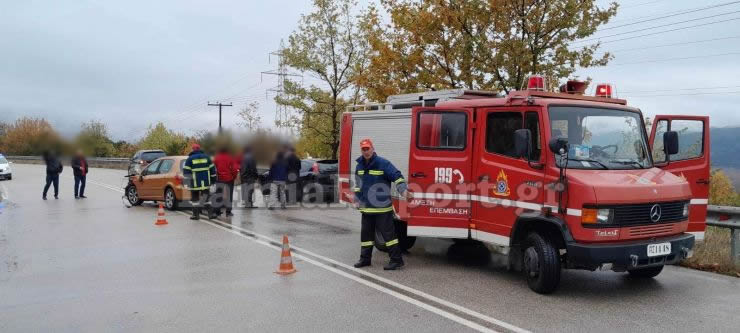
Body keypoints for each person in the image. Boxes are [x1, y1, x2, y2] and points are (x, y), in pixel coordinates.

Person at [352, 138, 408, 270]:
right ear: (361, 150)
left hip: (382, 209)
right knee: (366, 236)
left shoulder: (383, 163)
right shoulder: (359, 165)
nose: (366, 151)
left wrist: (402, 189)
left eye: (368, 148)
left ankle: (397, 260)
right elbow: (358, 186)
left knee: (389, 236)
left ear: (373, 148)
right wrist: (357, 199)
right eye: (363, 149)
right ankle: (365, 259)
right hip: (367, 209)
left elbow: (397, 176)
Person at [183, 144, 217, 220]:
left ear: (193, 149)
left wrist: (186, 183)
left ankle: (195, 215)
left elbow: (186, 172)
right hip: (205, 182)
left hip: (195, 183)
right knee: (206, 198)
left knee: (195, 200)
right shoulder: (207, 157)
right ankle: (211, 214)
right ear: (199, 149)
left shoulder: (189, 159)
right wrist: (213, 181)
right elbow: (213, 170)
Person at [212, 147, 238, 217]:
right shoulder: (230, 157)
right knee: (229, 195)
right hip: (229, 179)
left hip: (219, 179)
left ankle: (217, 211)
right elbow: (235, 169)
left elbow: (213, 168)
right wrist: (233, 177)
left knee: (218, 195)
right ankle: (228, 212)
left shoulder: (216, 158)